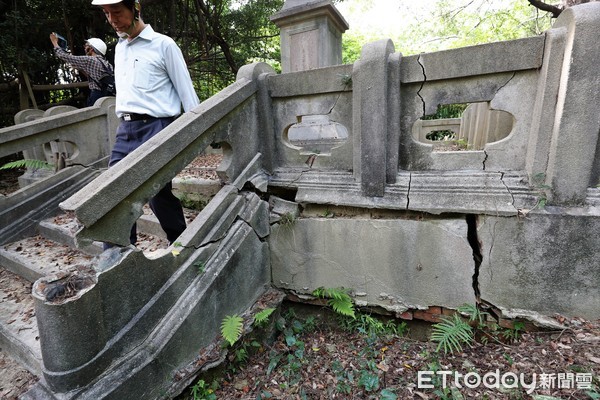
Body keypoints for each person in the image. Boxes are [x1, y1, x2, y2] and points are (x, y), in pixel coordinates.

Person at [91, 0, 200, 248]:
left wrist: (195, 133)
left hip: (158, 127)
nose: (112, 20)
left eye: (117, 12)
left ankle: (181, 246)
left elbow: (187, 93)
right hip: (126, 129)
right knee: (113, 191)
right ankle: (117, 255)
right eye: (107, 14)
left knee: (157, 195)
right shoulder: (119, 48)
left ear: (135, 8)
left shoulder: (163, 45)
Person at [49, 34, 114, 106]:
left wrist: (54, 42)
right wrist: (81, 69)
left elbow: (64, 56)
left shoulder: (90, 60)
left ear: (91, 49)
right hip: (107, 95)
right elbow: (97, 78)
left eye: (86, 46)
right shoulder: (107, 64)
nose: (84, 48)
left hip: (96, 95)